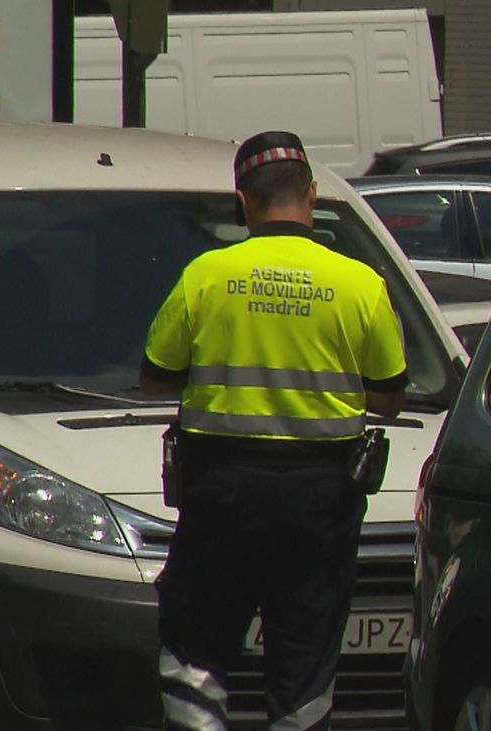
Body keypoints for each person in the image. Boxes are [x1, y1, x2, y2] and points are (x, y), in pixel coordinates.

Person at [139, 130, 408, 731]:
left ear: (243, 199)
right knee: (305, 664)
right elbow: (391, 395)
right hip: (322, 503)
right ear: (310, 195)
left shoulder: (207, 274)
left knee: (196, 649)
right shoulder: (360, 284)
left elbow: (157, 378)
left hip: (220, 495)